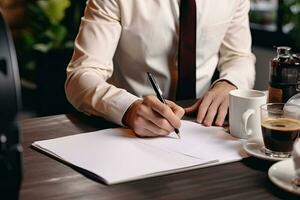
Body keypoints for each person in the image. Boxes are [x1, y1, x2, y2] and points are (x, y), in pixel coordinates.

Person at [65, 0, 255, 137]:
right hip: (126, 131)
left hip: (203, 129)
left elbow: (239, 56)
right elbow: (81, 75)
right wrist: (128, 108)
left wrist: (230, 84)